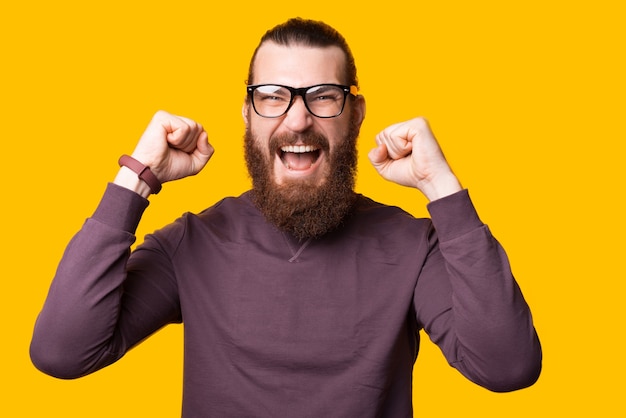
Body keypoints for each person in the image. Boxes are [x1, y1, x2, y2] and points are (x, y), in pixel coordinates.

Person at [30, 17, 542, 417]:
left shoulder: (415, 246)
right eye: (272, 97)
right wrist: (136, 179)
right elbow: (62, 352)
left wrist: (441, 187)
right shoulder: (192, 242)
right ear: (247, 115)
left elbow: (508, 366)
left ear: (355, 114)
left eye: (323, 97)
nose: (297, 119)